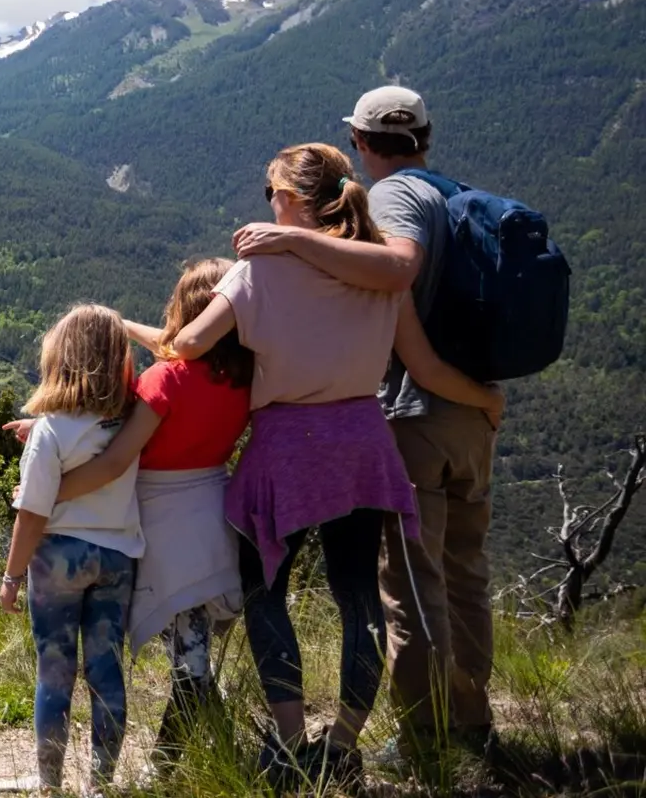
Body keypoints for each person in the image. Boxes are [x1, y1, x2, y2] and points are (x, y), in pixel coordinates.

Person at [173, 142, 503, 788]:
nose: (268, 204)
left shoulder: (257, 272)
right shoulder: (378, 276)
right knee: (358, 595)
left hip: (285, 448)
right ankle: (343, 744)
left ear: (287, 200)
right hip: (362, 444)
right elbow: (425, 366)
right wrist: (484, 399)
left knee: (265, 591)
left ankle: (291, 744)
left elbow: (189, 343)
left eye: (271, 194)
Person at [37, 259, 253, 775]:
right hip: (216, 513)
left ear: (185, 310)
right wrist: (123, 324)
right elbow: (179, 347)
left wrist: (46, 496)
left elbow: (114, 461)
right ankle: (206, 756)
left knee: (189, 660)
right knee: (193, 648)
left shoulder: (165, 379)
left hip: (165, 521)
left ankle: (166, 766)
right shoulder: (245, 378)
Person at [0, 303, 144, 794]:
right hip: (118, 556)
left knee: (54, 675)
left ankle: (50, 785)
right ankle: (101, 784)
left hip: (58, 558)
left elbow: (32, 513)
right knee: (106, 671)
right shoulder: (129, 423)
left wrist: (11, 577)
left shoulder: (50, 430)